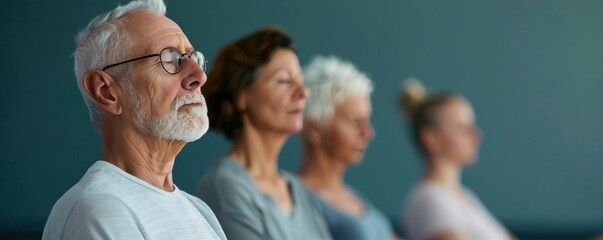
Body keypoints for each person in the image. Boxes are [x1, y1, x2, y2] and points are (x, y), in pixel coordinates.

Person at [42, 0, 225, 239]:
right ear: (106, 91)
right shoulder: (99, 208)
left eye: (193, 57)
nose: (199, 76)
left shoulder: (199, 211)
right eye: (169, 59)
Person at [196, 28, 332, 240]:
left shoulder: (300, 191)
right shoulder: (224, 185)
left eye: (301, 81)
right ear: (242, 95)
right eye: (284, 81)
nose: (303, 93)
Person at [299, 56, 399, 240]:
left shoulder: (356, 197)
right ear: (314, 129)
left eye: (367, 121)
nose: (368, 133)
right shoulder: (295, 199)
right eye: (355, 122)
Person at [399, 79, 512, 240]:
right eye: (462, 127)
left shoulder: (467, 197)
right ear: (431, 139)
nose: (476, 135)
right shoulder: (430, 199)